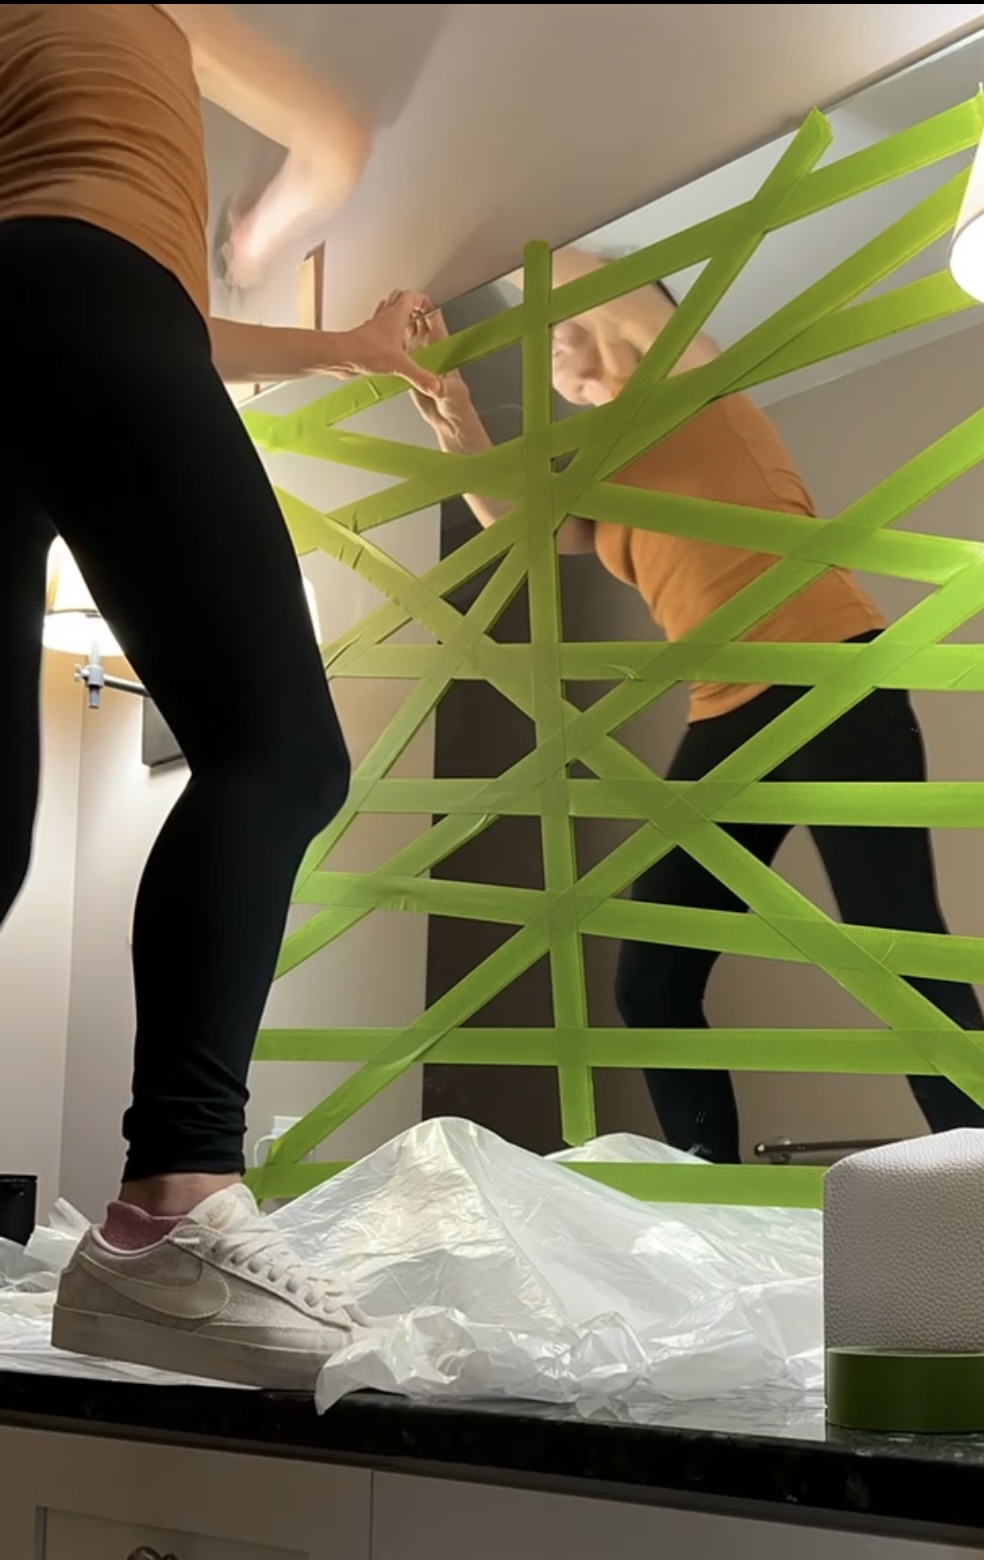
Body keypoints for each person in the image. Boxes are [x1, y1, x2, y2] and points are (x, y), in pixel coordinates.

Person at [0, 4, 442, 1389]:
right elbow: (331, 139)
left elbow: (134, 304)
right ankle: (169, 1215)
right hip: (84, 293)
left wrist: (342, 350)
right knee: (278, 753)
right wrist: (263, 223)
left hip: (46, 300)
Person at [405, 246, 984, 1165]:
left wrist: (483, 235)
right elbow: (512, 520)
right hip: (727, 713)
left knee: (898, 949)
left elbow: (584, 270)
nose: (552, 349)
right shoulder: (599, 475)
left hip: (830, 672)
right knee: (652, 980)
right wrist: (454, 416)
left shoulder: (690, 377)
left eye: (560, 331)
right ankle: (713, 1194)